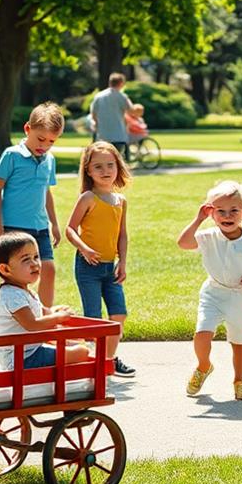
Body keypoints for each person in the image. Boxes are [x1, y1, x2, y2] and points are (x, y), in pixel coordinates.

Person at [177, 181, 242, 401]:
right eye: (220, 211)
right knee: (202, 333)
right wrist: (198, 219)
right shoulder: (208, 236)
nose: (227, 215)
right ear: (212, 214)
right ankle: (204, 366)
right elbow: (183, 243)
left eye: (234, 210)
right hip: (213, 293)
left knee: (239, 342)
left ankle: (239, 381)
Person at [66, 142, 136, 378]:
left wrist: (123, 262)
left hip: (111, 268)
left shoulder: (121, 201)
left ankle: (109, 361)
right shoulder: (88, 197)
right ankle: (92, 361)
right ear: (88, 170)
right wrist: (84, 249)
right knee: (93, 318)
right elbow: (70, 229)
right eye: (98, 166)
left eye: (110, 165)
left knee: (119, 314)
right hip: (88, 267)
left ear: (118, 167)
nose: (105, 171)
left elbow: (122, 235)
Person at [0, 102, 63, 307]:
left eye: (51, 141)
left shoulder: (49, 160)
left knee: (48, 269)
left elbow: (46, 192)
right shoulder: (12, 155)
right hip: (14, 228)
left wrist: (54, 224)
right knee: (18, 277)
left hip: (40, 227)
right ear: (27, 129)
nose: (45, 145)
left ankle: (45, 316)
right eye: (41, 139)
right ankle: (18, 313)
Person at [0, 232, 89, 370]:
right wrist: (57, 318)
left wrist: (54, 311)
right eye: (26, 259)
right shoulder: (12, 295)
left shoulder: (26, 292)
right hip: (20, 358)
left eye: (36, 257)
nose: (34, 264)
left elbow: (41, 312)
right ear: (5, 269)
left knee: (77, 344)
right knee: (82, 352)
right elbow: (32, 324)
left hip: (30, 349)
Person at [91, 72, 137, 162]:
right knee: (115, 159)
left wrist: (97, 125)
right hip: (118, 134)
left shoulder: (98, 96)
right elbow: (131, 111)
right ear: (121, 83)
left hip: (102, 134)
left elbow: (93, 114)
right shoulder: (121, 96)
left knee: (103, 159)